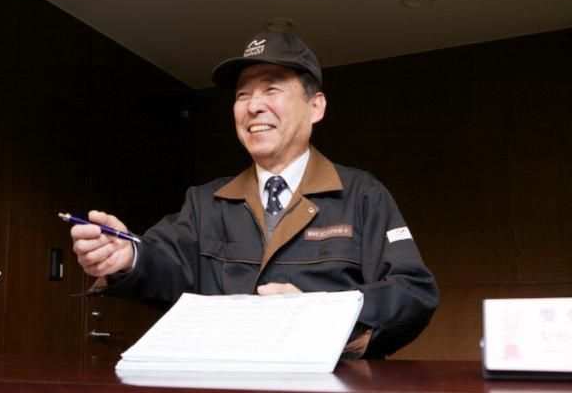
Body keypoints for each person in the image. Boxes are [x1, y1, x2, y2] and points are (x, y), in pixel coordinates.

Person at [70, 32, 439, 359]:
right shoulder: (205, 202)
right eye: (242, 94)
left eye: (271, 89)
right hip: (223, 381)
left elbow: (413, 291)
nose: (253, 106)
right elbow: (165, 265)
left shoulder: (361, 194)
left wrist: (321, 316)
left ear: (315, 107)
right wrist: (128, 256)